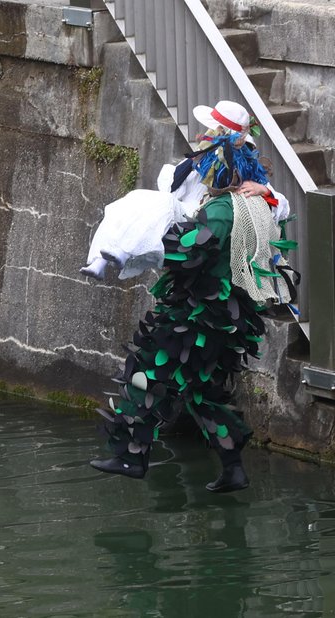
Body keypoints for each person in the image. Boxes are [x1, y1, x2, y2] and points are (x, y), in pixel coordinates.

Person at [88, 121, 298, 492]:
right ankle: (234, 468)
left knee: (145, 373)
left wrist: (145, 245)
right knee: (202, 392)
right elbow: (278, 206)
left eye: (207, 165)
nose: (201, 171)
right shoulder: (255, 206)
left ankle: (132, 455)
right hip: (230, 319)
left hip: (196, 319)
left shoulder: (220, 210)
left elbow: (190, 252)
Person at [81, 100, 290, 280]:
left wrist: (261, 188)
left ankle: (122, 252)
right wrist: (197, 163)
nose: (209, 132)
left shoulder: (244, 163)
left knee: (161, 203)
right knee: (133, 199)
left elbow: (282, 205)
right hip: (184, 208)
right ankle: (99, 261)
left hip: (202, 220)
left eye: (215, 129)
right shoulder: (204, 155)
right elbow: (173, 184)